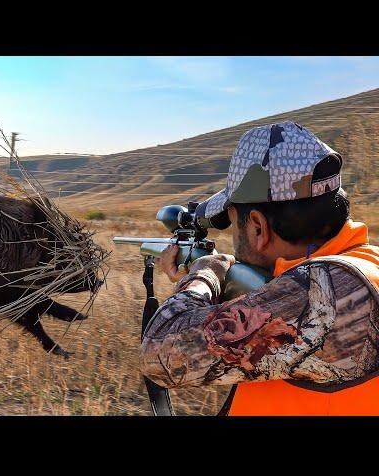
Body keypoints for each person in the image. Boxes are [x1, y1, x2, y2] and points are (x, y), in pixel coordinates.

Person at [140, 120, 379, 416]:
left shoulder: (327, 288)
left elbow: (159, 356)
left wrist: (203, 276)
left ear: (257, 227)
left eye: (232, 223)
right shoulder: (365, 268)